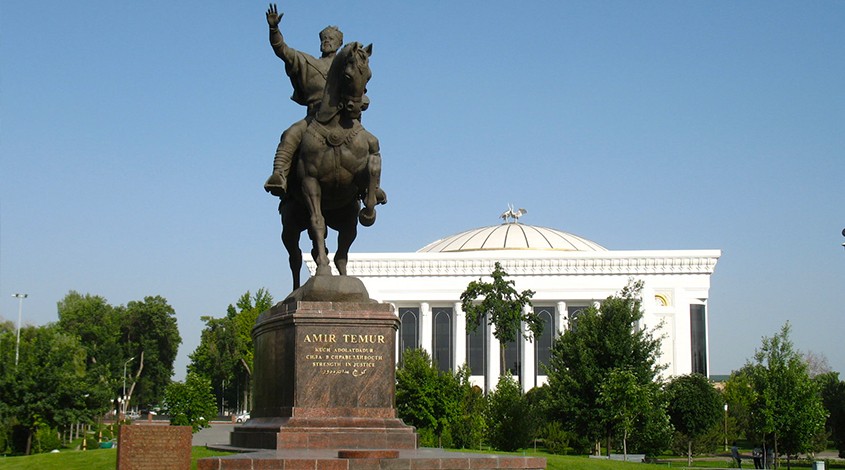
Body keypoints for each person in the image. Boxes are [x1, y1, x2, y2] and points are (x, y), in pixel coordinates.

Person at [263, 3, 354, 196]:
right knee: (290, 135)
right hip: (314, 117)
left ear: (339, 44)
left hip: (343, 118)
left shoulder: (347, 68)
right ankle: (279, 175)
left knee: (370, 142)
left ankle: (372, 188)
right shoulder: (308, 63)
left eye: (332, 39)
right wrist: (274, 29)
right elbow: (283, 51)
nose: (327, 41)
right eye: (324, 38)